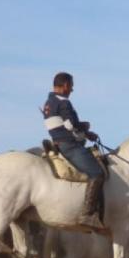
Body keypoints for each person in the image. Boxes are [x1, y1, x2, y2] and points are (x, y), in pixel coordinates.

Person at [43, 72, 104, 228]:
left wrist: (87, 134)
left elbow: (63, 125)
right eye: (71, 86)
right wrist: (85, 126)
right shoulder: (64, 103)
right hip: (69, 146)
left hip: (58, 143)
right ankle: (87, 214)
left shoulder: (49, 102)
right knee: (97, 173)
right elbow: (71, 125)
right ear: (65, 85)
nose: (72, 90)